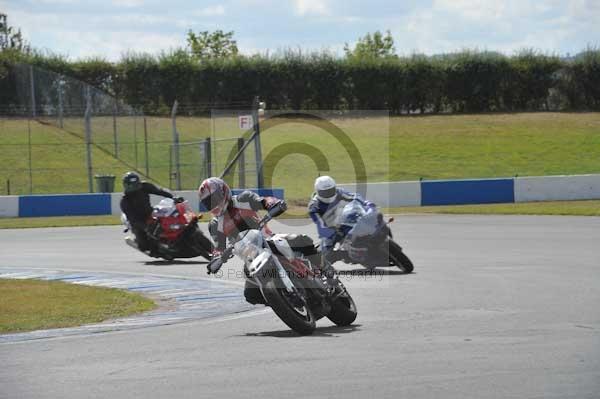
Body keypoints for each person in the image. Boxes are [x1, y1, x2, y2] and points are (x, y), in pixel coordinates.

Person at [199, 177, 321, 305]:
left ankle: (325, 273)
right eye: (209, 202)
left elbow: (263, 201)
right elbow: (219, 247)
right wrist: (217, 258)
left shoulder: (243, 199)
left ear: (223, 191)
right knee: (251, 294)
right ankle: (282, 301)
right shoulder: (214, 224)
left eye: (215, 198)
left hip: (268, 240)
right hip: (250, 256)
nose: (214, 204)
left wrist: (272, 203)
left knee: (303, 240)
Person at [308, 175, 376, 261]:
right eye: (325, 192)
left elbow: (354, 197)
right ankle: (342, 255)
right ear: (317, 191)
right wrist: (331, 231)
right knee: (325, 254)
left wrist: (367, 203)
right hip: (331, 228)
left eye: (330, 191)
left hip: (346, 219)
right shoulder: (314, 207)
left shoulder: (339, 192)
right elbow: (321, 225)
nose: (328, 194)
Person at [120, 171, 178, 257]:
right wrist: (144, 227)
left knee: (168, 218)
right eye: (132, 185)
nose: (135, 186)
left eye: (136, 184)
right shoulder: (125, 201)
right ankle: (154, 250)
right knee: (145, 240)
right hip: (138, 221)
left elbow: (159, 191)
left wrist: (173, 197)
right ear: (126, 185)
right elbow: (132, 219)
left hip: (150, 213)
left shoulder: (144, 186)